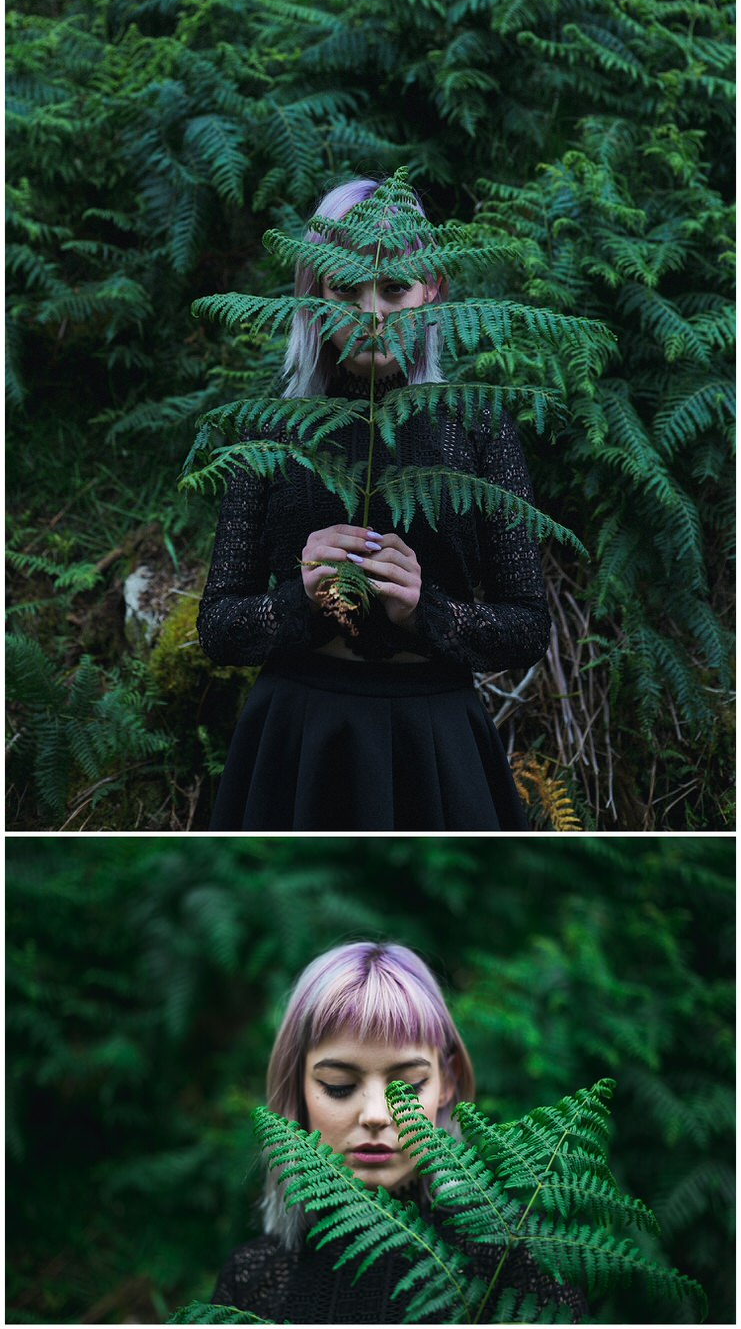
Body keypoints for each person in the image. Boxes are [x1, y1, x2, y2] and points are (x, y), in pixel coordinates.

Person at [198, 175, 552, 831]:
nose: (372, 313)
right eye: (347, 290)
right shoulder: (271, 426)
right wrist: (301, 595)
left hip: (435, 730)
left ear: (432, 290)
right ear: (313, 295)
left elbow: (527, 625)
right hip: (296, 729)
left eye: (394, 289)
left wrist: (427, 610)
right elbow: (218, 627)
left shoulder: (476, 424)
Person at [211, 942, 585, 1323]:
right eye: (339, 1085)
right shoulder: (254, 1281)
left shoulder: (521, 1265)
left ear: (448, 1080)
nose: (376, 1115)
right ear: (297, 1087)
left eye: (407, 1086)